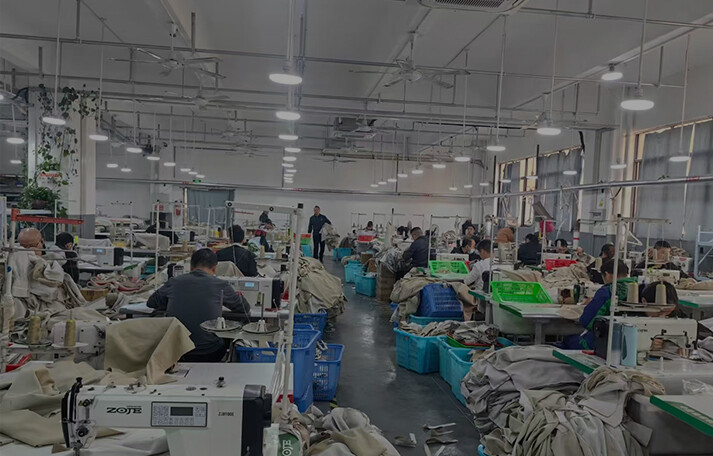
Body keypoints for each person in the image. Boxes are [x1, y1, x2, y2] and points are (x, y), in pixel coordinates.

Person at [148, 249, 250, 362]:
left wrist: (172, 302)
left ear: (191, 267)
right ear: (215, 268)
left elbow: (151, 302)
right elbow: (244, 308)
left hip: (177, 352)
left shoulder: (174, 282)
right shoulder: (221, 285)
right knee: (228, 336)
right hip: (209, 351)